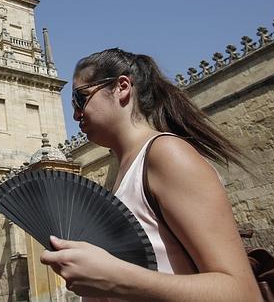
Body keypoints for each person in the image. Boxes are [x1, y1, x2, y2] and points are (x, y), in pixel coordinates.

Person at [40, 48, 262, 301]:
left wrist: (118, 279)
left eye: (80, 99)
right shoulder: (121, 170)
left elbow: (243, 293)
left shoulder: (167, 154)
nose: (76, 114)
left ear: (122, 87)